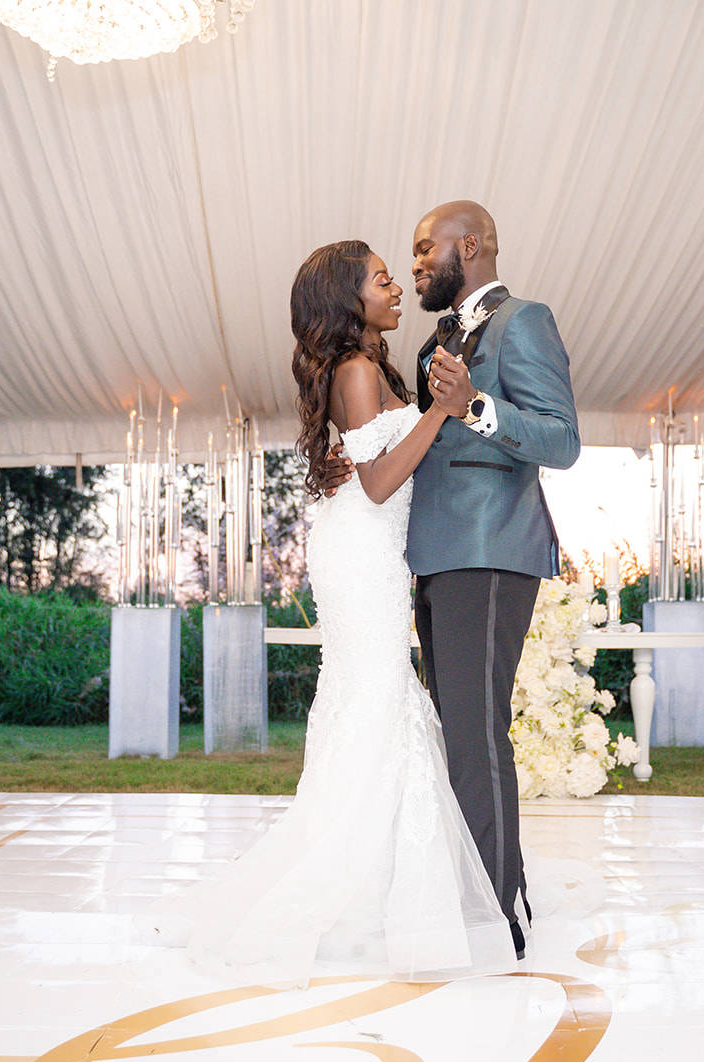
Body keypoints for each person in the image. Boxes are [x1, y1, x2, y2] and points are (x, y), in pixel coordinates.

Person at [184, 240, 517, 986]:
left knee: (376, 702)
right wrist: (442, 411)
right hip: (362, 553)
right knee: (376, 701)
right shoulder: (358, 371)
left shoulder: (369, 367)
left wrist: (427, 416)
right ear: (348, 299)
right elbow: (377, 482)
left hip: (372, 551)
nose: (396, 287)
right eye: (381, 279)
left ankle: (377, 880)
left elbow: (371, 466)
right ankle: (356, 886)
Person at [406, 200, 580, 957]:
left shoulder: (525, 321)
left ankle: (497, 913)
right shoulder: (434, 340)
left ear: (469, 244)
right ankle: (486, 888)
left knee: (477, 734)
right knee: (458, 733)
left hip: (490, 550)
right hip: (437, 555)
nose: (416, 263)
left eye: (425, 248)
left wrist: (473, 404)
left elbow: (561, 440)